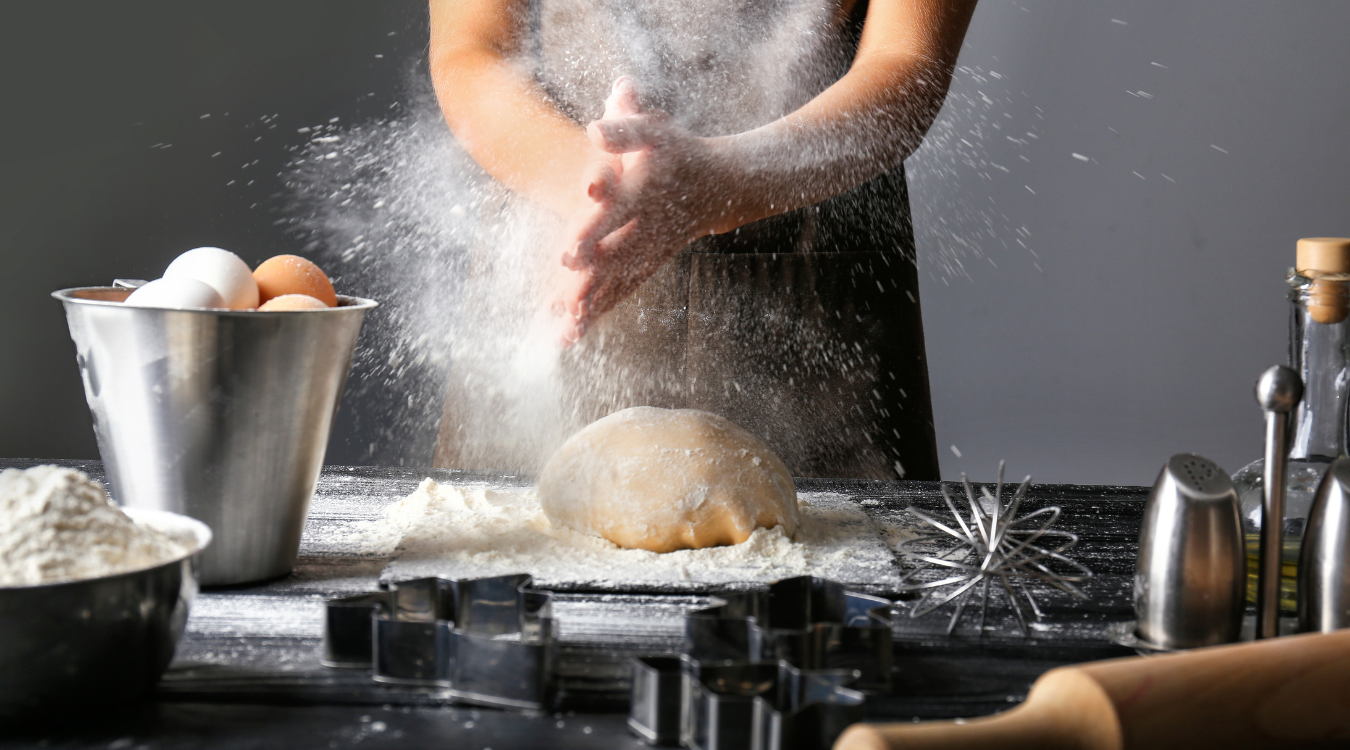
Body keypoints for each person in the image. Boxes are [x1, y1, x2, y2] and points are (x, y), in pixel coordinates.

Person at [429, 0, 978, 480]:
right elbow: (475, 50)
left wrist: (730, 179)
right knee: (510, 572)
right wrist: (591, 188)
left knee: (834, 582)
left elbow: (907, 61)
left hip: (811, 313)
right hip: (564, 269)